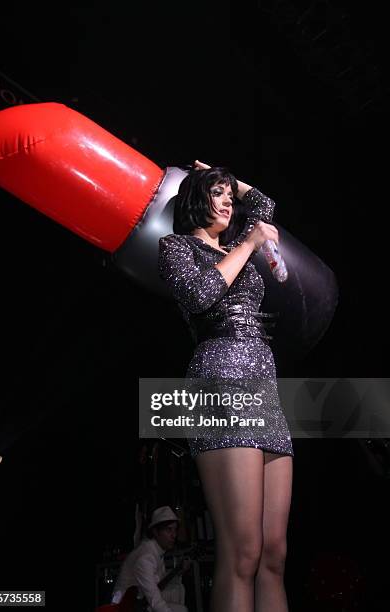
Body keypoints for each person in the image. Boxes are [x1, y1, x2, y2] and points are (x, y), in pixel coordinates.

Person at [158, 161, 294, 612]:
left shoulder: (236, 242)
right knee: (243, 552)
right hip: (219, 376)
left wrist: (233, 182)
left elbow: (263, 204)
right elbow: (199, 296)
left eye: (228, 197)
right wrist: (251, 241)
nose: (228, 203)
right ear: (196, 200)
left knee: (274, 554)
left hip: (262, 382)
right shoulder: (175, 248)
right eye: (216, 194)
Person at [111, 506, 189, 612]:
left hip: (141, 602)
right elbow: (154, 600)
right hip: (126, 608)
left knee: (179, 597)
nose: (174, 535)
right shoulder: (146, 557)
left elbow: (158, 581)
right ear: (155, 532)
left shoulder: (156, 551)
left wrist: (179, 572)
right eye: (169, 530)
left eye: (175, 530)